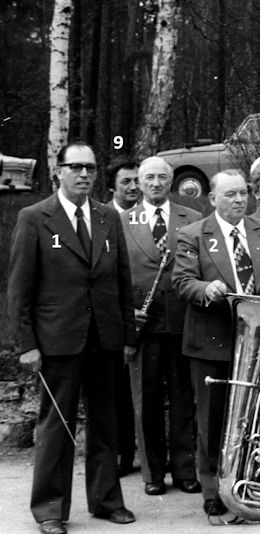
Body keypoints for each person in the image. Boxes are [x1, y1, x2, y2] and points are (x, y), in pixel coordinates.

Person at [8, 141, 137, 534]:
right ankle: (50, 508)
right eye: (75, 167)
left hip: (104, 339)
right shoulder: (35, 218)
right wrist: (26, 343)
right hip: (57, 341)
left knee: (105, 424)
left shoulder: (106, 218)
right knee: (56, 426)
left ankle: (106, 500)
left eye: (91, 168)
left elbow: (122, 282)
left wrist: (127, 334)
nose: (84, 175)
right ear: (58, 172)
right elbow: (19, 287)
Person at [173, 169, 260, 515]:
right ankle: (212, 491)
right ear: (212, 199)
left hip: (256, 340)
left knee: (253, 417)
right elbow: (182, 282)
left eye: (243, 194)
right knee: (213, 419)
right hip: (212, 340)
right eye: (230, 194)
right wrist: (206, 289)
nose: (238, 200)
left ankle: (248, 482)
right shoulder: (192, 234)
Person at [122, 156, 202, 496]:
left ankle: (185, 470)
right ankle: (153, 474)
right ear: (139, 183)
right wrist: (126, 311)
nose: (155, 183)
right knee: (147, 400)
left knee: (185, 398)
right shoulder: (121, 221)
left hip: (183, 321)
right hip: (144, 324)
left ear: (171, 182)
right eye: (149, 178)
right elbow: (111, 275)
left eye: (162, 178)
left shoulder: (193, 219)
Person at [105, 157, 141, 476]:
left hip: (150, 316)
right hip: (116, 319)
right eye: (125, 182)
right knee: (118, 391)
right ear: (111, 187)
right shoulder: (103, 219)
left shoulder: (150, 217)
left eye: (136, 181)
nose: (133, 187)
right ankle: (122, 453)